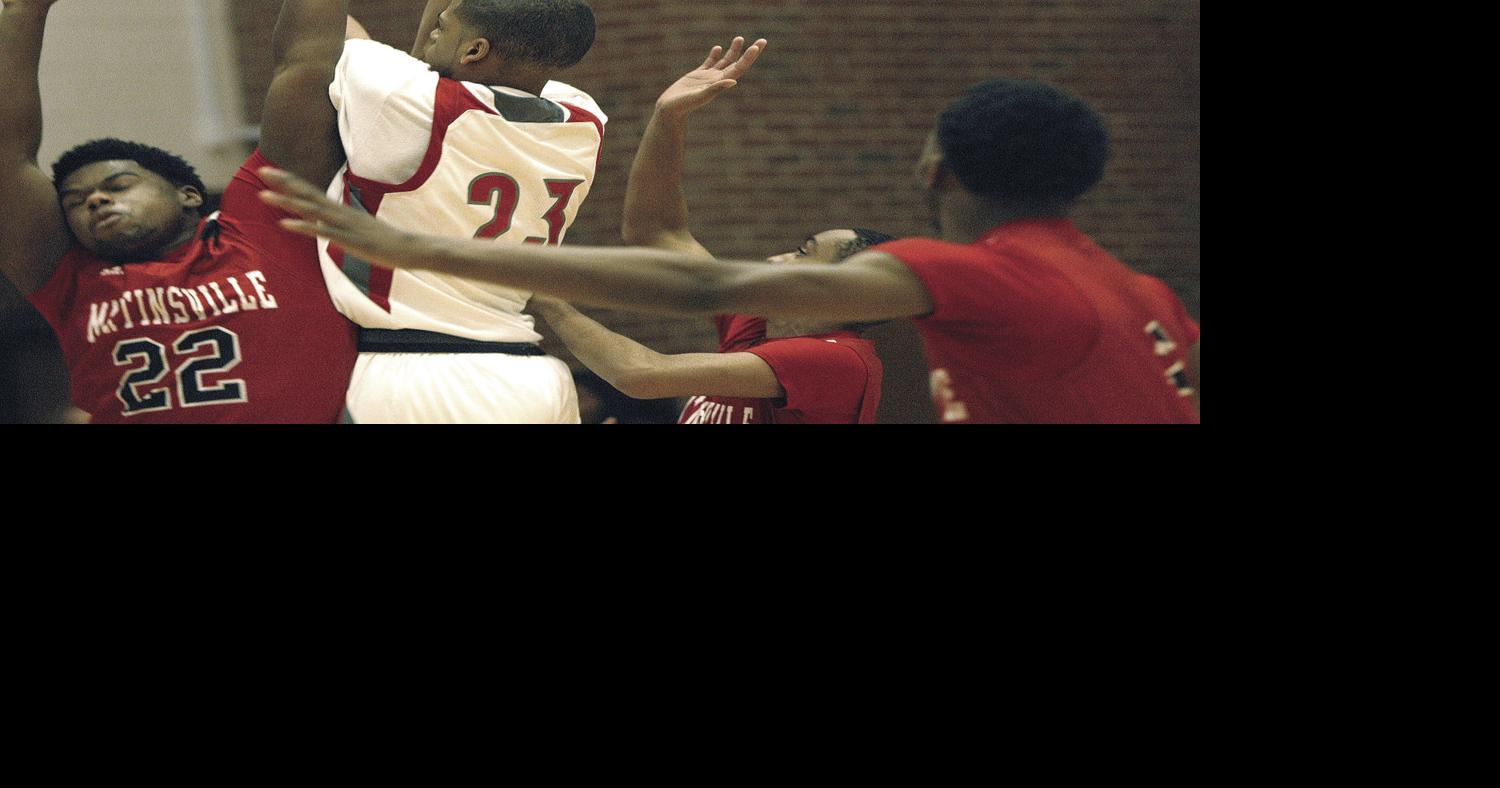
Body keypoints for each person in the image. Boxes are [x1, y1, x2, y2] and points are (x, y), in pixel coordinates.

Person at [257, 78, 1201, 424]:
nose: (790, 259)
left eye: (813, 253)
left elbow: (688, 286)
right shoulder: (1140, 290)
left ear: (935, 169)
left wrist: (410, 244)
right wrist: (668, 119)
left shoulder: (979, 276)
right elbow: (666, 242)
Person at [0, 0, 356, 423]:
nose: (94, 200)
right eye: (75, 202)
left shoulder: (263, 229)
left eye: (118, 185)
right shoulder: (71, 278)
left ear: (188, 195)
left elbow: (306, 65)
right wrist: (24, 10)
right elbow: (6, 157)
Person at [530, 39, 889, 424]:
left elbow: (641, 374)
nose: (776, 259)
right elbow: (657, 232)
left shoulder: (839, 358)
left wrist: (547, 296)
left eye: (804, 254)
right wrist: (668, 118)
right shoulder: (757, 320)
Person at [318, 0, 605, 423]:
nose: (432, 33)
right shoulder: (586, 120)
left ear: (474, 50)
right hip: (532, 377)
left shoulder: (407, 99)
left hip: (420, 374)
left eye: (441, 27)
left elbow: (322, 28)